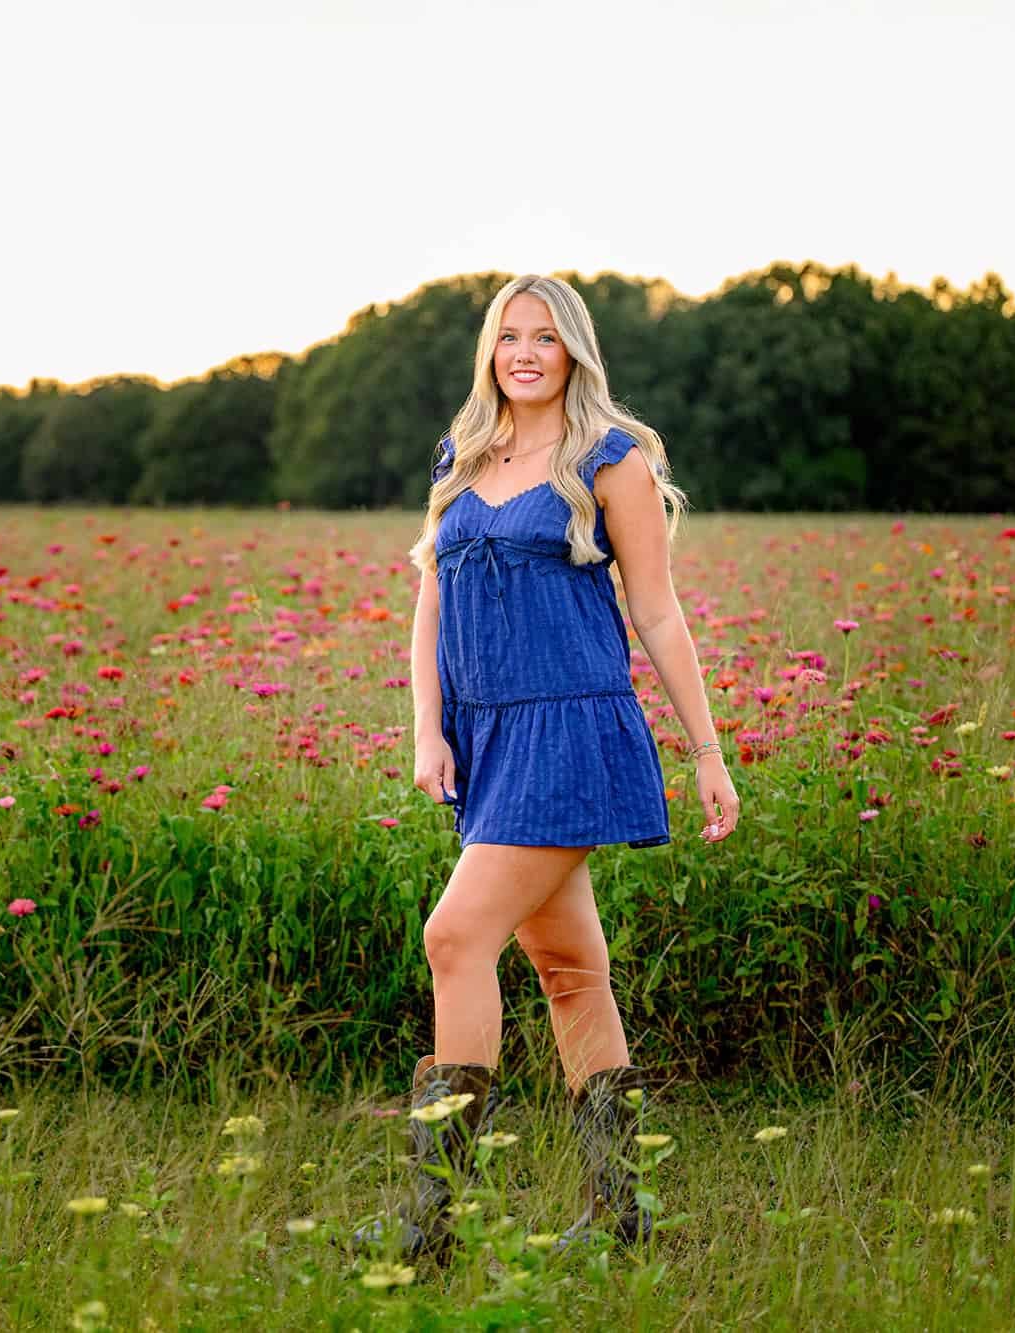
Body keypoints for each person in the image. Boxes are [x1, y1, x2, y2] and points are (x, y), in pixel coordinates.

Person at [352, 275, 739, 1265]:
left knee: (452, 936)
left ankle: (428, 1224)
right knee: (568, 971)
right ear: (491, 350)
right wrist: (426, 730)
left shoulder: (609, 461)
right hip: (484, 738)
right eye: (508, 336)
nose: (524, 352)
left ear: (573, 351)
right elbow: (429, 604)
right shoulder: (461, 451)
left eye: (545, 337)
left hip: (569, 730)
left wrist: (704, 751)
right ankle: (624, 1222)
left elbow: (655, 611)